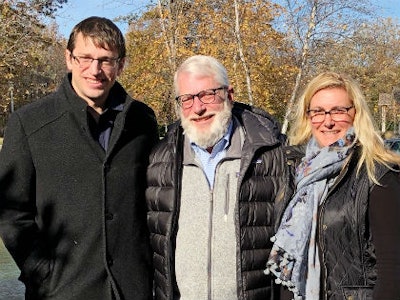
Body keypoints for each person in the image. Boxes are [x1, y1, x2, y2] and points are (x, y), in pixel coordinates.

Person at [0, 16, 158, 300]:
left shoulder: (143, 121)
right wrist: (42, 273)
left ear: (120, 64)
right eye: (85, 57)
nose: (95, 70)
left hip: (133, 288)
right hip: (62, 290)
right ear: (69, 58)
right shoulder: (29, 123)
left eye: (106, 60)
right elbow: (12, 214)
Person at [145, 55, 295, 299]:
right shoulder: (159, 160)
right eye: (187, 98)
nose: (198, 107)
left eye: (207, 94)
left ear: (229, 94)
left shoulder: (271, 154)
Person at [265, 71, 400, 299]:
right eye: (317, 112)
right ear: (308, 117)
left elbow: (393, 269)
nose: (327, 121)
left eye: (338, 111)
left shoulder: (377, 173)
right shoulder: (298, 172)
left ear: (356, 114)